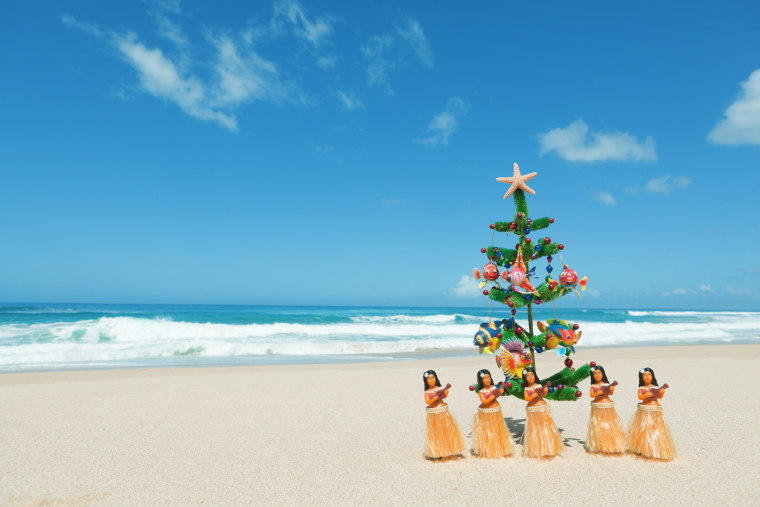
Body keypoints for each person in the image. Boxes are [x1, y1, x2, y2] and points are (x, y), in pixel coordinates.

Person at [626, 367, 676, 460]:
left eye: (649, 375)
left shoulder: (655, 387)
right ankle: (642, 448)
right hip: (645, 410)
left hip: (655, 409)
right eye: (644, 375)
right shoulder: (642, 388)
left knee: (655, 429)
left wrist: (662, 392)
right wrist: (647, 394)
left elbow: (659, 396)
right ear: (641, 377)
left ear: (653, 376)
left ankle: (655, 449)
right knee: (644, 429)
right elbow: (640, 396)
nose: (647, 377)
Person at [471, 369, 515, 458]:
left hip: (495, 410)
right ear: (481, 380)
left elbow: (499, 393)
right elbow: (484, 400)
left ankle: (499, 447)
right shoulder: (481, 391)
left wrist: (500, 391)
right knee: (488, 430)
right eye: (485, 378)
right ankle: (488, 448)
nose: (487, 380)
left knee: (497, 428)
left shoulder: (493, 388)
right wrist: (492, 396)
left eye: (489, 377)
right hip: (486, 412)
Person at [521, 367, 563, 458]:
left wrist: (545, 390)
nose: (530, 377)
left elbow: (543, 394)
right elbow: (527, 398)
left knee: (545, 426)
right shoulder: (527, 389)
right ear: (525, 378)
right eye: (527, 376)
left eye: (532, 375)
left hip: (541, 407)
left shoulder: (538, 386)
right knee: (534, 428)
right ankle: (535, 447)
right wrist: (533, 394)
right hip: (533, 409)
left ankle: (548, 446)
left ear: (535, 375)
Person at [423, 370, 465, 459]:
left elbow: (445, 395)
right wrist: (435, 397)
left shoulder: (439, 389)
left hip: (443, 411)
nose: (431, 380)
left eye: (433, 377)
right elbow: (428, 401)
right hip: (434, 413)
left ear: (436, 378)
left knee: (446, 431)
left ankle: (450, 449)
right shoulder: (427, 392)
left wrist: (445, 391)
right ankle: (438, 451)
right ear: (425, 381)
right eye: (429, 378)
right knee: (436, 432)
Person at [584, 365, 625, 454]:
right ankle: (599, 444)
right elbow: (592, 394)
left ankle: (611, 444)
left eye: (599, 373)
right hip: (597, 407)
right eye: (595, 374)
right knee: (598, 425)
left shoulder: (606, 385)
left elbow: (610, 392)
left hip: (607, 406)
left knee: (609, 424)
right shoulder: (593, 386)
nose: (597, 375)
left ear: (603, 374)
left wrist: (611, 388)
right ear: (592, 376)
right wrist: (599, 392)